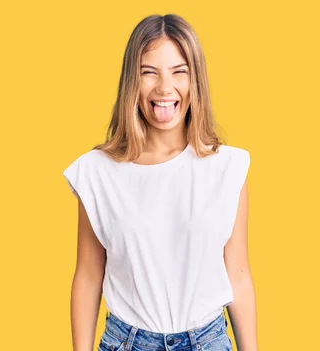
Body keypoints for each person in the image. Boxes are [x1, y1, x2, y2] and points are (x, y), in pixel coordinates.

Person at [62, 14, 258, 351]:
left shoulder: (227, 167)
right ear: (131, 83)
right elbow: (89, 275)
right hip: (127, 342)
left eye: (179, 72)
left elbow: (237, 274)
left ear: (195, 81)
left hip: (208, 341)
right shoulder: (97, 172)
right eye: (149, 72)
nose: (164, 88)